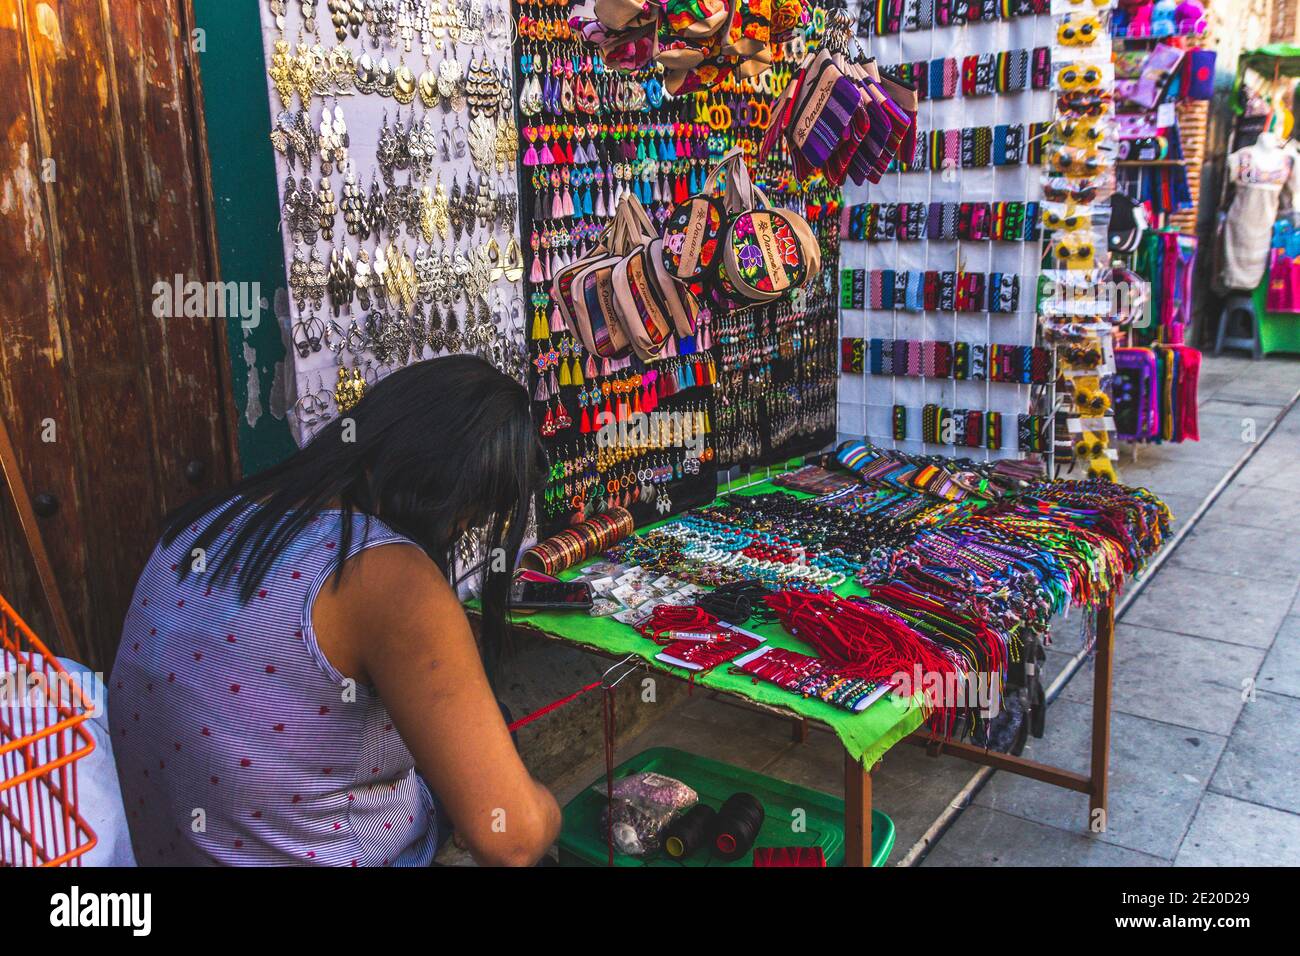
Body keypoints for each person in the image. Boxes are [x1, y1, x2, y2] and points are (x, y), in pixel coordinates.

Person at [109, 356, 561, 866]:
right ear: (443, 494)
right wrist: (546, 811)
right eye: (469, 520)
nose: (459, 536)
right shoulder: (387, 576)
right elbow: (511, 840)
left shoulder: (209, 520)